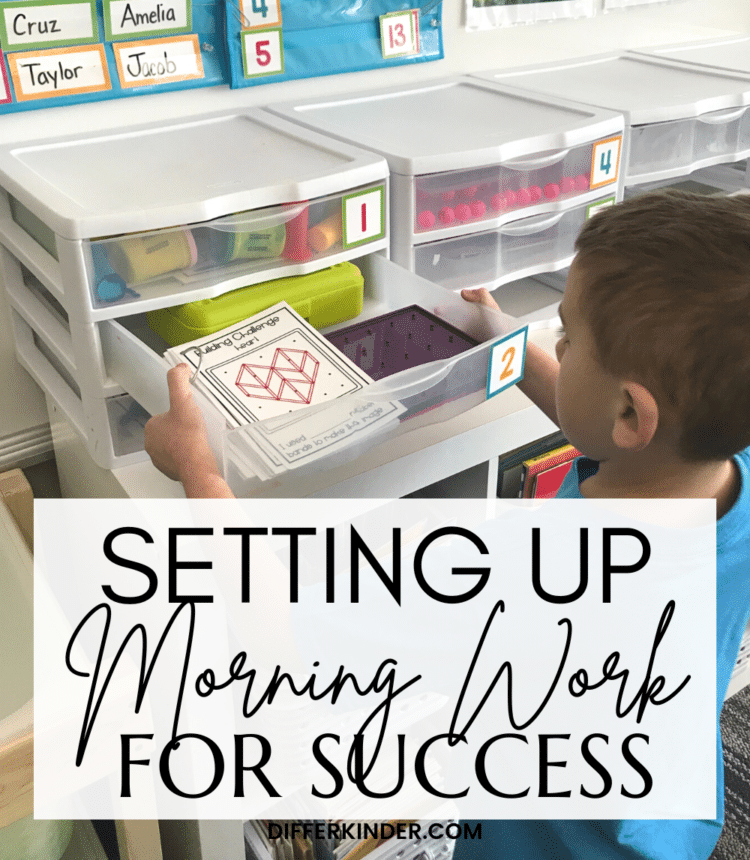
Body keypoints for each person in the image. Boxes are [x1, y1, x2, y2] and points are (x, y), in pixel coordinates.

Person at [145, 188, 750, 859]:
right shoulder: (727, 471)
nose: (562, 343)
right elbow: (610, 431)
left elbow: (273, 619)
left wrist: (198, 467)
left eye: (569, 338)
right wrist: (510, 347)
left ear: (633, 414)